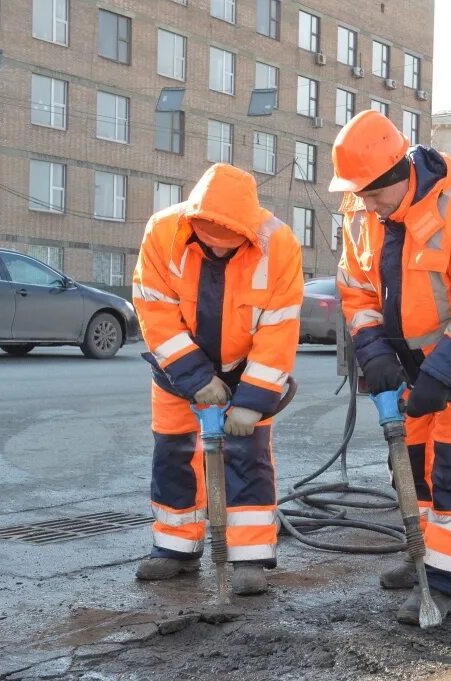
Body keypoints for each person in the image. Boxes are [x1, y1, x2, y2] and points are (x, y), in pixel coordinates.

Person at [330, 110, 451, 624]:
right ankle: (422, 556)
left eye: (372, 193)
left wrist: (441, 374)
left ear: (399, 174)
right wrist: (374, 352)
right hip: (411, 368)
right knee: (409, 466)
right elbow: (357, 292)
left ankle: (445, 581)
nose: (366, 204)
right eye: (359, 194)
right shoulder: (362, 213)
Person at [132, 163, 303, 595]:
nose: (217, 249)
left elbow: (279, 329)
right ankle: (175, 548)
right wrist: (195, 377)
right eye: (209, 240)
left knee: (247, 456)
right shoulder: (163, 232)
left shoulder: (279, 244)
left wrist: (253, 401)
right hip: (177, 370)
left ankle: (248, 557)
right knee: (173, 454)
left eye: (227, 244)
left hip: (247, 370)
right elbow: (155, 310)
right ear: (193, 222)